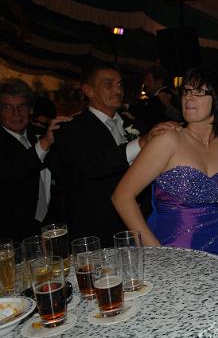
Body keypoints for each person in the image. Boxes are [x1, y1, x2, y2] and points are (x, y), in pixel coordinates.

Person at [111, 66, 218, 338]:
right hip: (172, 249)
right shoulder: (169, 139)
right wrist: (157, 252)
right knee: (181, 331)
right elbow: (122, 197)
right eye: (187, 91)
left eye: (200, 92)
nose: (189, 97)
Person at [50, 66, 160, 243]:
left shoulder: (136, 125)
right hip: (97, 229)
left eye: (120, 85)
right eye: (109, 84)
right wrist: (142, 142)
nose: (118, 90)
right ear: (88, 90)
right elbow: (95, 164)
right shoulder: (71, 128)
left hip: (142, 223)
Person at [0, 79, 69, 241]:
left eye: (21, 106)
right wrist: (45, 143)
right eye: (7, 107)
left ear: (31, 110)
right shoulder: (44, 139)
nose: (16, 113)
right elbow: (13, 172)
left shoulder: (38, 133)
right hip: (11, 235)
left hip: (50, 227)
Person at [130, 65, 181, 132]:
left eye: (148, 80)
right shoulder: (165, 94)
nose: (145, 83)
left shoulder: (161, 97)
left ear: (159, 82)